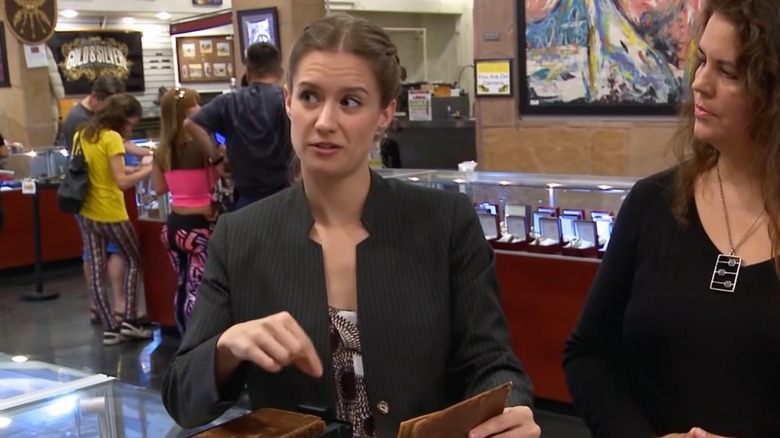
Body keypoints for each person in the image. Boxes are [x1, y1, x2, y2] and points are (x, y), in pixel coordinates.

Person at [162, 15, 539, 438]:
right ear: (287, 101)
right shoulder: (240, 236)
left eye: (350, 102)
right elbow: (182, 399)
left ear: (385, 113)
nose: (325, 120)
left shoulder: (445, 222)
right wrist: (226, 347)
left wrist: (510, 412)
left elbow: (492, 363)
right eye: (309, 96)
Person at [563, 1, 780, 437]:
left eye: (728, 72)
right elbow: (588, 354)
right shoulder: (652, 203)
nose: (700, 83)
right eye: (701, 62)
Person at [63, 74, 151, 325]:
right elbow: (120, 180)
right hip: (110, 210)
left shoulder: (83, 132)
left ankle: (108, 322)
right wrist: (149, 169)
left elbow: (99, 168)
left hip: (88, 208)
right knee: (132, 258)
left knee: (96, 261)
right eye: (130, 124)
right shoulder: (110, 137)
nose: (130, 129)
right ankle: (129, 316)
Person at [185, 42, 291, 211]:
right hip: (285, 196)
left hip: (246, 198)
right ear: (280, 72)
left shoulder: (228, 102)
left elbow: (191, 124)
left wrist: (217, 160)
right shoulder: (287, 101)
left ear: (248, 72)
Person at [152, 88, 223, 335]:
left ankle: (184, 334)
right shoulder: (203, 146)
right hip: (200, 225)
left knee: (182, 284)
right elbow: (219, 177)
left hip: (172, 226)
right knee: (199, 288)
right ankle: (198, 337)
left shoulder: (161, 151)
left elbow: (159, 188)